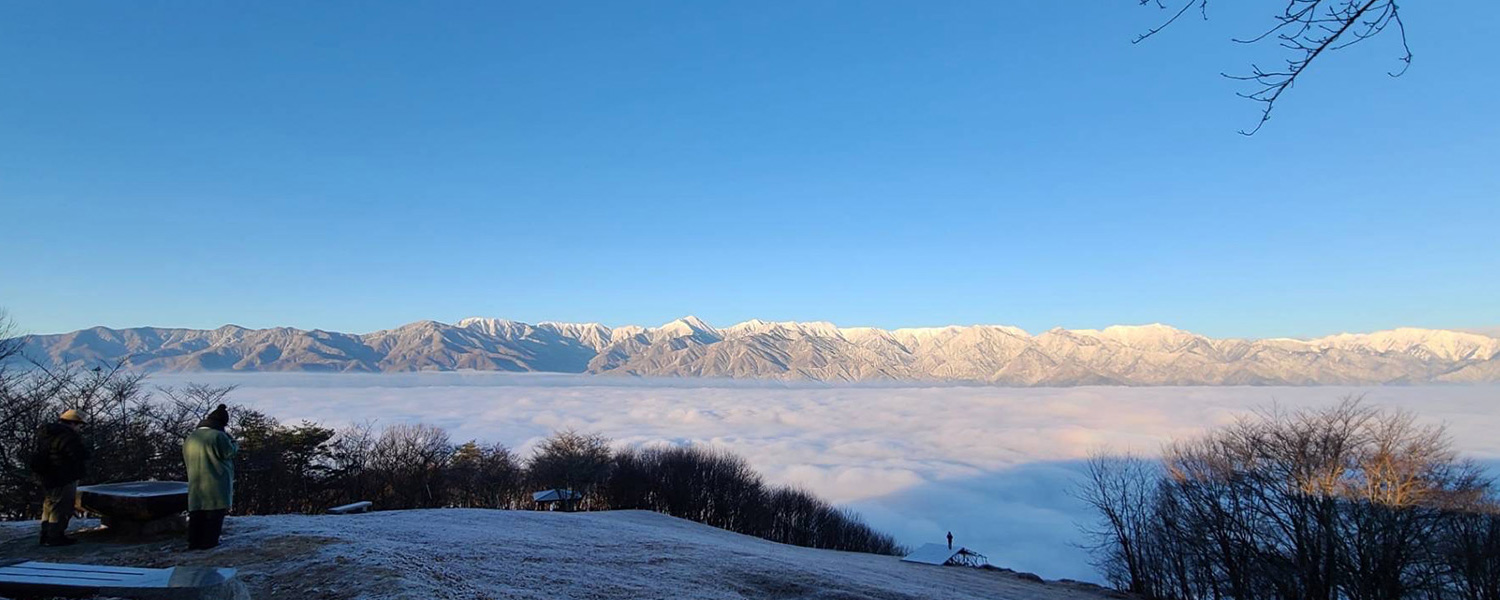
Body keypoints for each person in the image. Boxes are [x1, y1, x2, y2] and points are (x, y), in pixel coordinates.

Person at [31, 409, 89, 546]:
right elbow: (77, 454)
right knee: (62, 507)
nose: (79, 428)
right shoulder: (67, 436)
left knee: (49, 505)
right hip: (63, 476)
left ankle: (45, 534)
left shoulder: (47, 434)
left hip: (47, 476)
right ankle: (55, 537)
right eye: (79, 425)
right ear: (74, 423)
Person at [183, 404, 237, 550]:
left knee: (197, 512)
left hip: (196, 480)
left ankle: (194, 542)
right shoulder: (218, 436)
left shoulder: (191, 436)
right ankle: (209, 542)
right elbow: (229, 452)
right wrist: (233, 442)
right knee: (214, 513)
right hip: (216, 480)